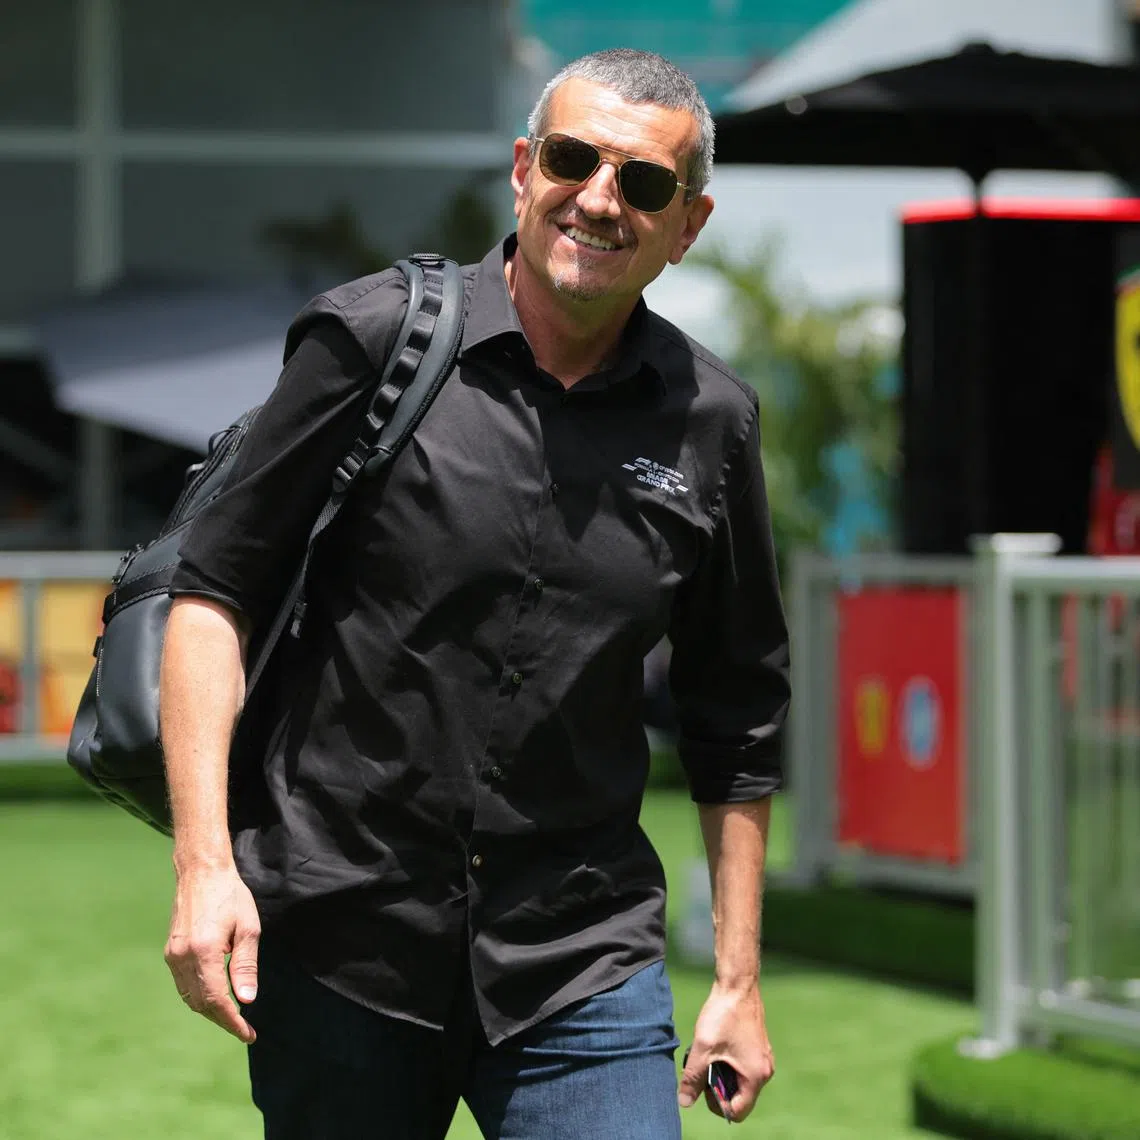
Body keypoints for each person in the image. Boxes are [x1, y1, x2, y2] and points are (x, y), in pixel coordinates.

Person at [159, 47, 790, 1139]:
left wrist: (735, 977)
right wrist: (206, 867)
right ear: (521, 169)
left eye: (642, 184)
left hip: (580, 954)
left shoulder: (712, 424)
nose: (598, 199)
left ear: (688, 224)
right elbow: (216, 590)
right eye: (572, 159)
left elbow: (736, 709)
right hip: (341, 931)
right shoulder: (370, 342)